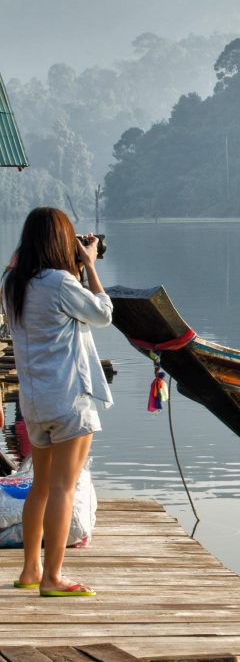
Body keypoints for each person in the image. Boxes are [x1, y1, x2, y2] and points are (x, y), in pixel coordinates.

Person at [2, 207, 112, 597]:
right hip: (70, 401)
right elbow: (102, 314)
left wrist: (76, 268)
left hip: (35, 403)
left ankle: (31, 569)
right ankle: (53, 577)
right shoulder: (61, 282)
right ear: (60, 242)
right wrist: (90, 264)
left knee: (41, 487)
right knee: (65, 488)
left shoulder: (13, 283)